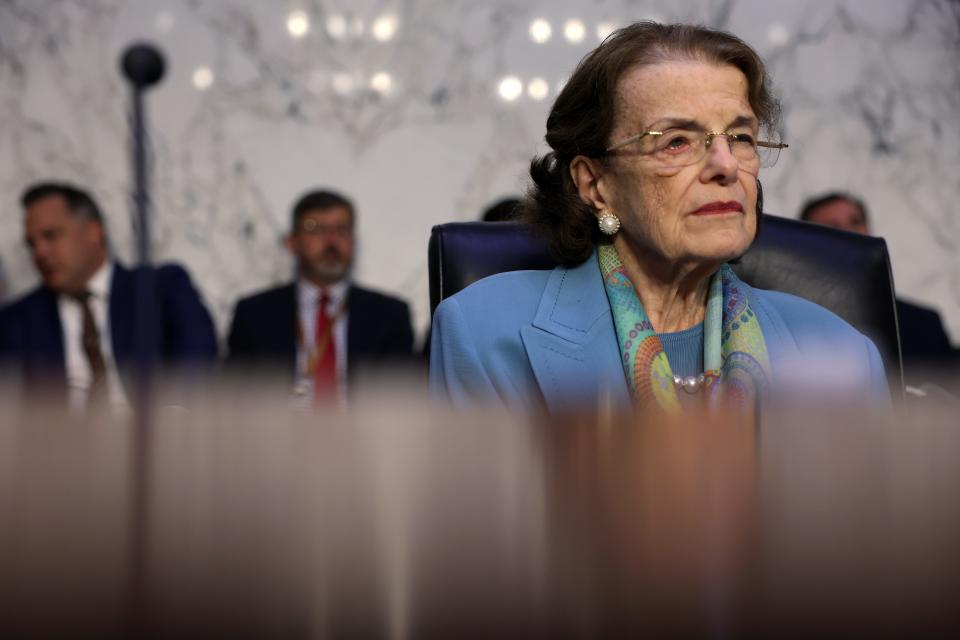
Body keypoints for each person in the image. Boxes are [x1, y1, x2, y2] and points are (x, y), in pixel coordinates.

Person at [430, 22, 888, 412]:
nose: (726, 166)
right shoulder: (485, 333)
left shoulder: (845, 356)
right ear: (595, 184)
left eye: (741, 137)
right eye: (676, 142)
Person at [0, 182, 218, 411]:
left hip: (153, 435)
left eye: (51, 236)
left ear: (93, 232)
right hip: (60, 443)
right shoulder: (17, 319)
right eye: (32, 244)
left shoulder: (159, 288)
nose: (40, 252)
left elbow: (198, 355)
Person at [227, 189, 414, 399]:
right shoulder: (254, 314)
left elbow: (399, 402)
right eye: (316, 229)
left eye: (341, 230)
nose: (331, 241)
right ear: (292, 242)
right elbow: (237, 400)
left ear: (353, 242)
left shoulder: (389, 315)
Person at [800, 192, 957, 374]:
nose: (849, 232)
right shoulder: (788, 321)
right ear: (807, 245)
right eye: (832, 226)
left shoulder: (924, 325)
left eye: (856, 222)